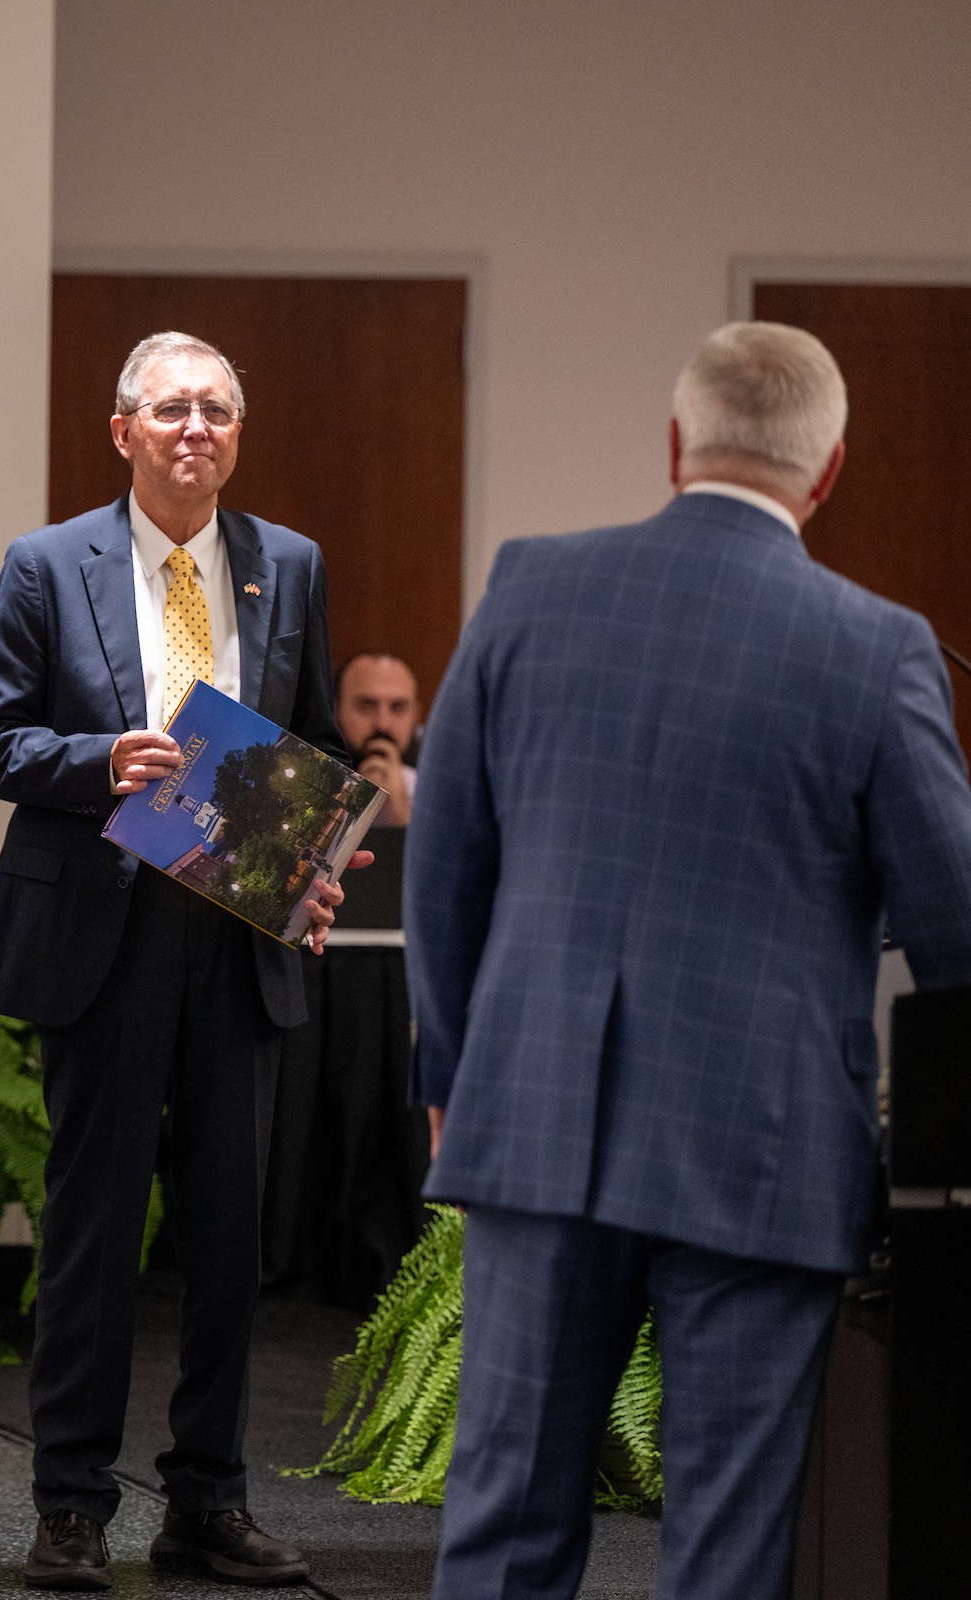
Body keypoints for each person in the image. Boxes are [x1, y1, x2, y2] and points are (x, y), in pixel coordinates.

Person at [409, 321, 971, 1600]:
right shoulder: (879, 646)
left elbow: (445, 865)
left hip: (538, 1121)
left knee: (500, 1533)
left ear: (676, 445)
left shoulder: (530, 585)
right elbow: (960, 939)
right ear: (828, 473)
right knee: (725, 1550)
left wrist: (452, 1073)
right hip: (762, 1151)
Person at [0, 331, 363, 1590]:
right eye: (173, 409)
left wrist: (315, 860)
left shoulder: (287, 566)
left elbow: (306, 743)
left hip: (239, 935)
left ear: (238, 434)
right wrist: (99, 764)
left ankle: (206, 1503)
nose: (198, 429)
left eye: (220, 412)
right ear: (122, 429)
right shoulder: (47, 564)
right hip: (106, 933)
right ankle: (71, 1507)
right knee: (90, 1234)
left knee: (230, 1240)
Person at [334, 650, 419, 825]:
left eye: (398, 707)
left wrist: (400, 821)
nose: (383, 724)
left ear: (416, 716)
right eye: (366, 706)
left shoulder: (440, 796)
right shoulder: (306, 783)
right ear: (336, 710)